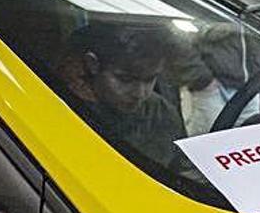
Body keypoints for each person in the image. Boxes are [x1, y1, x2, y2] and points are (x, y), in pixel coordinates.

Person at [56, 22, 188, 170]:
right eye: (125, 79)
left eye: (150, 79)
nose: (140, 93)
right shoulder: (60, 111)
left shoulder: (162, 114)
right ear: (92, 64)